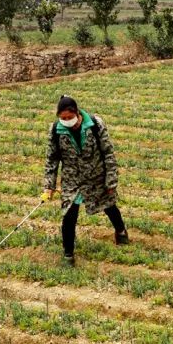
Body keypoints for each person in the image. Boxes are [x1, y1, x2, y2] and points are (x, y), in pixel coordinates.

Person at [44, 95, 128, 266]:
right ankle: (68, 254)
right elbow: (52, 160)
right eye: (62, 118)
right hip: (71, 180)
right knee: (69, 215)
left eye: (69, 117)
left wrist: (111, 180)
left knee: (109, 206)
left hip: (96, 177)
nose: (66, 121)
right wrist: (49, 186)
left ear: (77, 113)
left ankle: (121, 231)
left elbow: (108, 153)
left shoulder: (95, 125)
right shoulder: (55, 131)